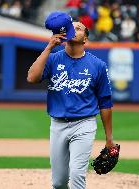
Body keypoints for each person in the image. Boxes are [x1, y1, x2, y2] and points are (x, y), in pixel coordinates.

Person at [27, 12, 115, 189]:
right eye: (71, 27)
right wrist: (49, 47)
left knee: (76, 175)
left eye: (79, 28)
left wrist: (109, 139)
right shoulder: (52, 59)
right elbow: (32, 78)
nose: (74, 29)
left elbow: (105, 102)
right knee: (59, 182)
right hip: (57, 124)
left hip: (84, 124)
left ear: (86, 40)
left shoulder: (97, 65)